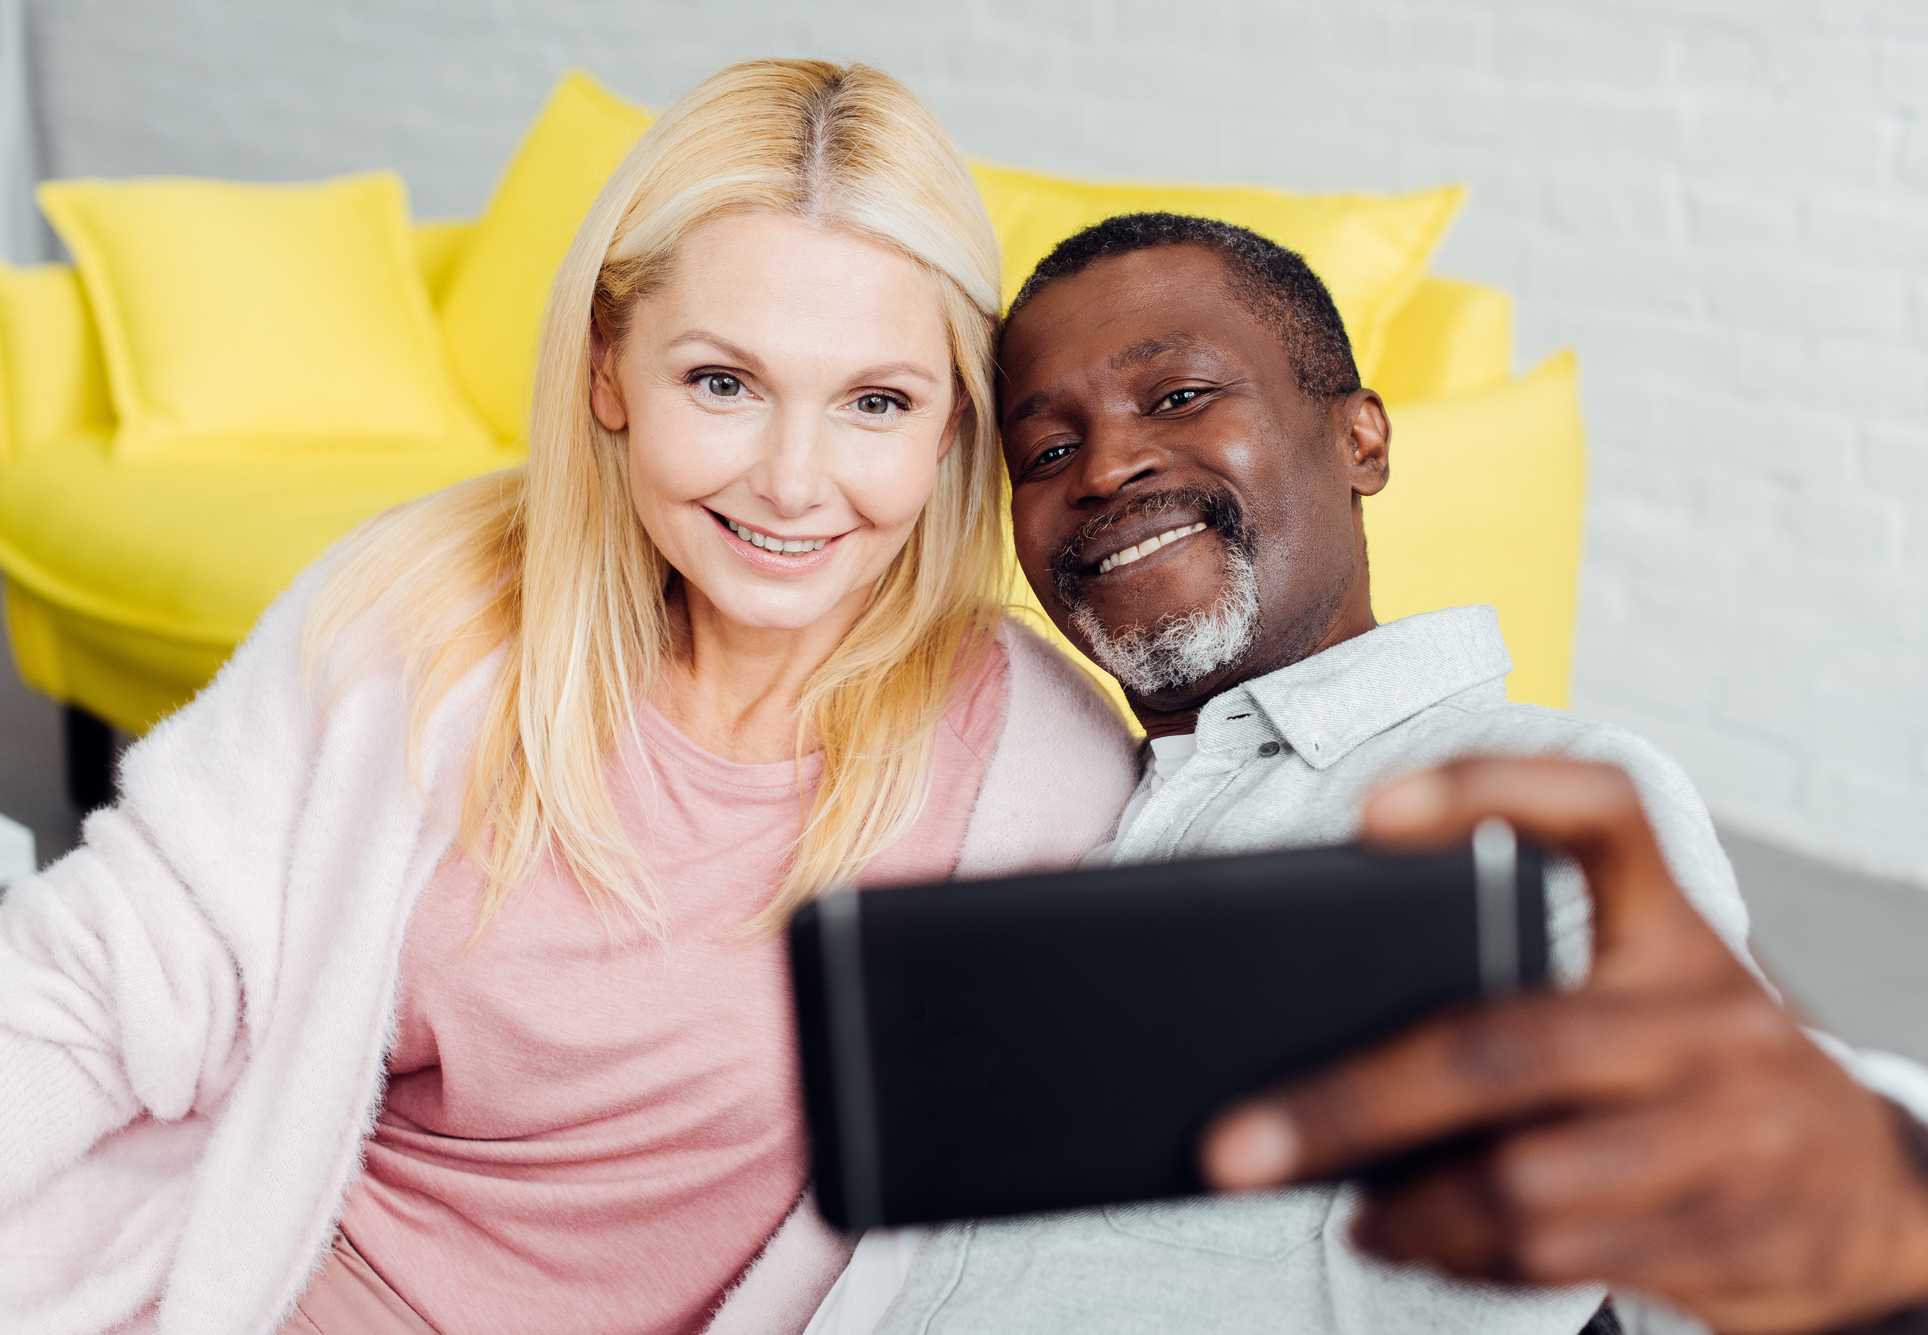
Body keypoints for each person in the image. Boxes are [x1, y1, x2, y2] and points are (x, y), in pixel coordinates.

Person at [0, 62, 1139, 1335]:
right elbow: (95, 981)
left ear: (947, 429)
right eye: (724, 384)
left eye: (875, 403)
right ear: (609, 369)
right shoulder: (417, 616)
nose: (792, 482)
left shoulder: (1043, 777)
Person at [811, 214, 1928, 1335]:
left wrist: (1876, 1230)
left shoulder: (1532, 796)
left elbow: (1717, 1209)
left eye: (1176, 396)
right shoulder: (1018, 778)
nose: (1106, 466)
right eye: (1046, 449)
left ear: (1360, 439)